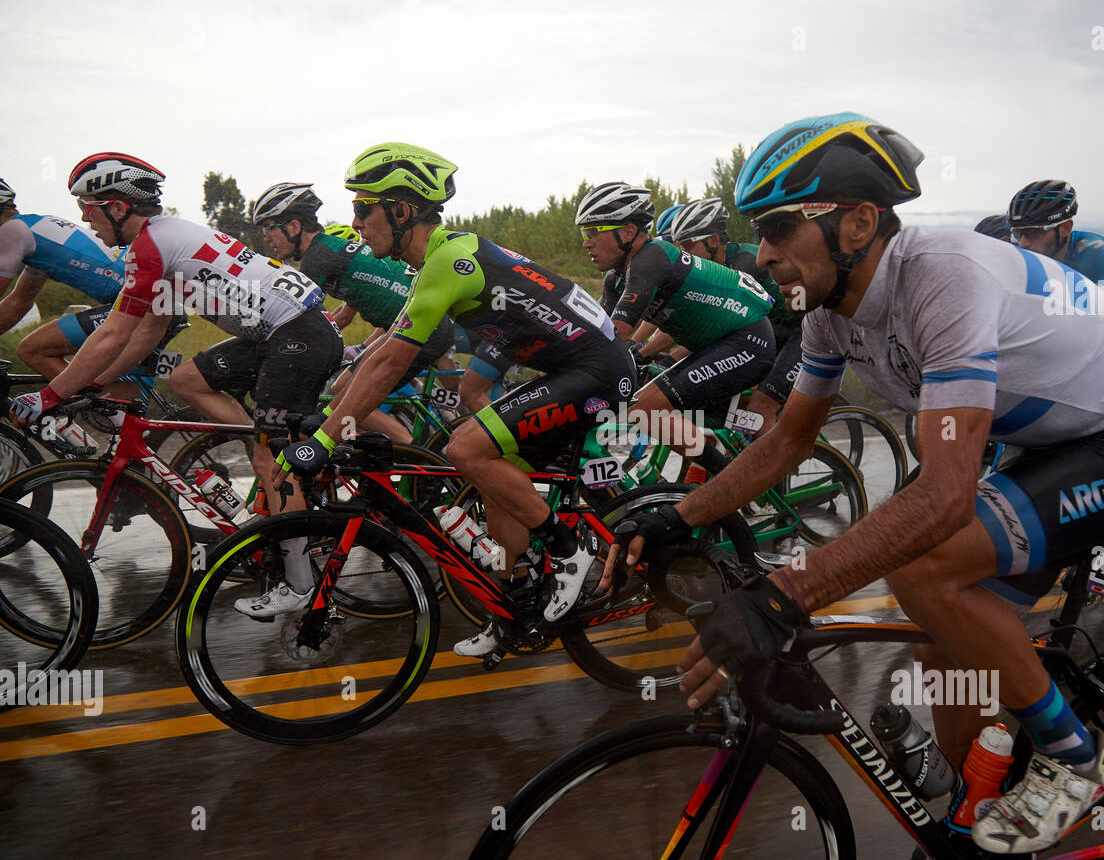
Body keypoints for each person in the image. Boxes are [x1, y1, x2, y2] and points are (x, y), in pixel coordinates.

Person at [605, 112, 1104, 855]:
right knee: (943, 647)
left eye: (780, 228)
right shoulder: (829, 313)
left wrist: (785, 594)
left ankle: (1079, 761)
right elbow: (788, 438)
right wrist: (680, 517)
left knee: (926, 570)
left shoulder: (944, 277)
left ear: (857, 223)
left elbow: (944, 494)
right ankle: (978, 808)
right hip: (1048, 446)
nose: (764, 254)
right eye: (759, 231)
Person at [272, 142, 635, 651]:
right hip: (577, 366)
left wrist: (325, 440)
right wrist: (330, 418)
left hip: (597, 370)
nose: (354, 222)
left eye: (362, 207)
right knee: (492, 479)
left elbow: (392, 362)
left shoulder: (449, 259)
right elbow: (377, 360)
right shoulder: (441, 260)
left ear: (401, 210)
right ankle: (516, 604)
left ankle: (567, 546)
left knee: (465, 448)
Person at [8, 152, 342, 617]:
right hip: (283, 332)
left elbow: (113, 332)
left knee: (272, 455)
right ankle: (274, 454)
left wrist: (50, 394)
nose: (84, 216)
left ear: (119, 206)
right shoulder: (162, 241)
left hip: (296, 334)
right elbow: (146, 329)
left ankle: (301, 586)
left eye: (88, 204)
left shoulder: (151, 245)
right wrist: (96, 383)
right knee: (188, 380)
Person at [577, 182, 775, 474]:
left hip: (747, 340)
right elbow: (591, 332)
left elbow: (615, 335)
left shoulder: (651, 258)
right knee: (667, 414)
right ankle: (712, 474)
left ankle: (733, 481)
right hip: (714, 345)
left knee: (647, 409)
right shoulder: (615, 279)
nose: (586, 243)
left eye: (593, 233)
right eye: (584, 234)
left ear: (628, 232)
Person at [250, 181, 456, 441]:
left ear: (293, 226)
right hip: (410, 325)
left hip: (422, 327)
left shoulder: (317, 257)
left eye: (269, 228)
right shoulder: (327, 248)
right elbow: (333, 318)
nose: (266, 238)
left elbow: (296, 320)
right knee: (340, 390)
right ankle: (411, 451)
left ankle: (415, 458)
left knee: (354, 400)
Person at [0, 178, 186, 415]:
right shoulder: (32, 229)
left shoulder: (10, 231)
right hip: (156, 303)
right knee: (45, 353)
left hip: (143, 304)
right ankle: (114, 422)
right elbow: (18, 302)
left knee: (33, 349)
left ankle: (103, 415)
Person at [670, 196, 800, 436]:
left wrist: (670, 361)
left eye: (688, 245)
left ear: (713, 240)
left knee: (760, 407)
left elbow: (718, 327)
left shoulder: (746, 263)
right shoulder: (709, 271)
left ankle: (774, 470)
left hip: (801, 334)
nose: (682, 253)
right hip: (771, 332)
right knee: (719, 399)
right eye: (678, 247)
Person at [1008, 179, 1104, 305]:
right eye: (1018, 234)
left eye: (1034, 233)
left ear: (1065, 228)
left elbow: (1069, 316)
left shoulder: (1094, 255)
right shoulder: (1054, 251)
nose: (1023, 244)